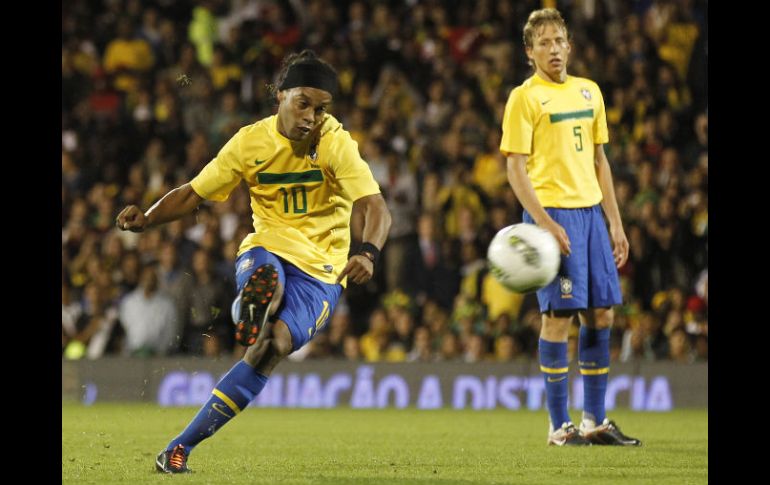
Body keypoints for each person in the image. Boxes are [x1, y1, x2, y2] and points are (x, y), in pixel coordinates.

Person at [116, 49, 392, 472]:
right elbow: (193, 193)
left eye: (321, 109)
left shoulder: (335, 142)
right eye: (303, 103)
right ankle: (251, 302)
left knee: (272, 347)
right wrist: (148, 219)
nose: (312, 117)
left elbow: (376, 208)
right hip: (269, 248)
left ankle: (178, 449)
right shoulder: (250, 143)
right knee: (267, 280)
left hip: (323, 272)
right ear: (279, 96)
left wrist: (369, 252)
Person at [500, 8, 640, 447]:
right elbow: (515, 169)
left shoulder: (589, 92)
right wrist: (544, 223)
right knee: (559, 316)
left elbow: (601, 161)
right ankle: (559, 426)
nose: (554, 49)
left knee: (601, 314)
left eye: (559, 40)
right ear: (530, 52)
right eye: (544, 43)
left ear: (570, 45)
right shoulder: (524, 97)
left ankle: (594, 420)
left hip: (593, 216)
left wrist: (615, 223)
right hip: (553, 215)